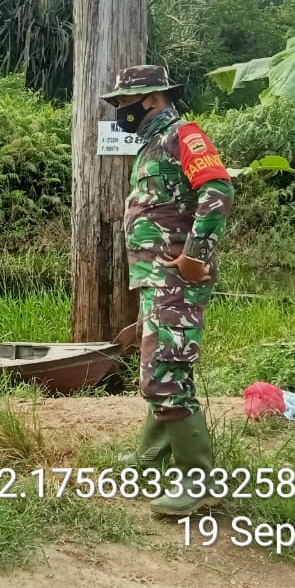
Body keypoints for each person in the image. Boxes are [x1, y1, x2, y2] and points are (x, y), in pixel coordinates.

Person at [101, 65, 234, 517]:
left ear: (152, 99)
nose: (121, 112)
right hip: (158, 279)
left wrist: (196, 254)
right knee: (162, 367)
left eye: (124, 104)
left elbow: (217, 190)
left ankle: (200, 481)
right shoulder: (151, 145)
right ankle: (147, 462)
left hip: (177, 276)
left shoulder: (183, 135)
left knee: (165, 372)